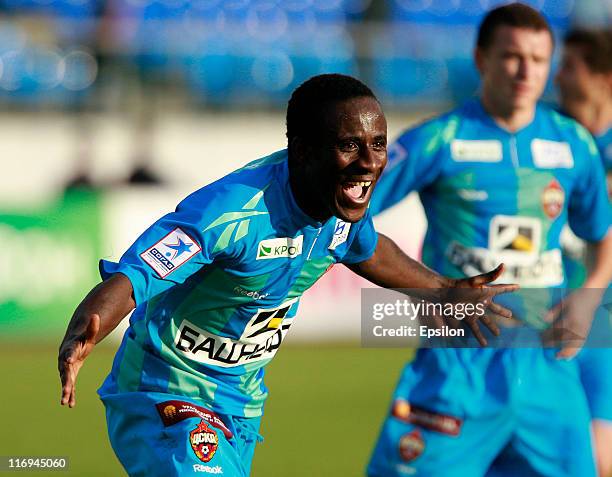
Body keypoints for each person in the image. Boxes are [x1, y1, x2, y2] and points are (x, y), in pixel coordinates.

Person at [57, 74, 516, 477]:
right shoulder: (232, 213)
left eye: (377, 144)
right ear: (304, 150)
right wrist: (89, 325)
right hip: (164, 394)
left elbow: (366, 249)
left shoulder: (340, 209)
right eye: (349, 145)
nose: (370, 162)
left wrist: (440, 289)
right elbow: (138, 274)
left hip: (239, 407)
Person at [367, 4, 612, 477]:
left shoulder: (573, 144)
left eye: (539, 60)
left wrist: (589, 295)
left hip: (547, 366)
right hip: (458, 365)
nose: (526, 71)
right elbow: (353, 216)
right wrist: (425, 286)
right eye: (512, 56)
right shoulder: (438, 140)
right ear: (481, 59)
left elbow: (603, 235)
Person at [556, 27, 612, 477]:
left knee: (597, 458)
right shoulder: (546, 139)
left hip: (602, 322)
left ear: (605, 79)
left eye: (570, 67)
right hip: (540, 316)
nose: (557, 77)